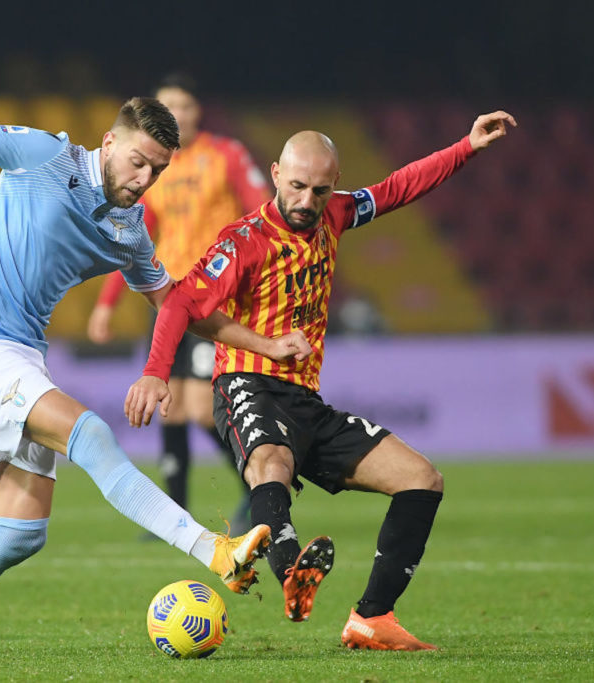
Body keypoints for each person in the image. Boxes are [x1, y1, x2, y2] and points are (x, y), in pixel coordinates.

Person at [0, 47, 311, 655]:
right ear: (108, 142)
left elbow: (183, 308)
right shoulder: (44, 157)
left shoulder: (130, 231)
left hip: (22, 357)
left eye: (157, 171)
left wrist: (265, 346)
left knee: (18, 535)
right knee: (93, 435)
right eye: (137, 163)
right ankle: (212, 547)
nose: (144, 180)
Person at [125, 111, 516, 650]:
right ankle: (290, 573)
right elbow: (180, 306)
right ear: (275, 173)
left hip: (306, 400)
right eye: (297, 186)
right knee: (273, 463)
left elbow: (398, 187)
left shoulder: (335, 213)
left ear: (333, 185)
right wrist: (154, 373)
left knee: (422, 479)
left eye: (320, 189)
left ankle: (372, 618)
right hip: (246, 383)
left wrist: (466, 147)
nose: (307, 201)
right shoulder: (244, 241)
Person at [88, 73, 270, 534]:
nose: (178, 116)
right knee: (171, 404)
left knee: (202, 408)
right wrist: (107, 303)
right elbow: (131, 236)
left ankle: (260, 484)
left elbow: (261, 208)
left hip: (215, 299)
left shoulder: (224, 155)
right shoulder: (153, 170)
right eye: (168, 108)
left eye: (184, 107)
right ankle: (175, 510)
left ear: (197, 112)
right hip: (169, 300)